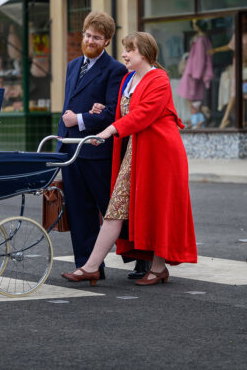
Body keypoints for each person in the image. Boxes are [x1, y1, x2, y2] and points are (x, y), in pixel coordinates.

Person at [61, 31, 198, 286]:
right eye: (125, 50)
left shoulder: (159, 78)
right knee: (116, 208)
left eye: (129, 50)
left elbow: (143, 114)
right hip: (136, 152)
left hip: (161, 155)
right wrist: (98, 111)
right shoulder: (127, 80)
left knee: (159, 207)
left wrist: (108, 131)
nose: (123, 54)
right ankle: (90, 266)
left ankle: (158, 268)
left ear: (144, 53)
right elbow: (120, 112)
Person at [58, 11, 146, 279]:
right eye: (87, 35)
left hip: (100, 152)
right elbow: (67, 107)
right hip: (71, 150)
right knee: (79, 210)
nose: (90, 40)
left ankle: (141, 258)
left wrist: (80, 119)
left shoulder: (116, 70)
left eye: (97, 37)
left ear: (107, 41)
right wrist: (62, 140)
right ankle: (89, 266)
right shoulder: (73, 66)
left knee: (113, 208)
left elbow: (114, 113)